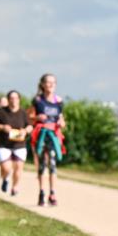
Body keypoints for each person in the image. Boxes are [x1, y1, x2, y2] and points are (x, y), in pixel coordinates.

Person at [29, 73, 67, 207]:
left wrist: (62, 123)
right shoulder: (37, 101)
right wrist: (37, 118)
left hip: (54, 135)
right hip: (41, 135)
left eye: (53, 82)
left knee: (53, 164)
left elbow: (61, 119)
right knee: (42, 165)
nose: (51, 85)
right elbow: (29, 117)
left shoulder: (59, 101)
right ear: (43, 84)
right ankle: (41, 192)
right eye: (48, 82)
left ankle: (52, 193)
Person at [0, 91, 33, 197]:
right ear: (8, 99)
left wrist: (25, 131)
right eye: (11, 98)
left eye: (16, 98)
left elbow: (30, 126)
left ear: (19, 99)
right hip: (3, 144)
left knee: (18, 167)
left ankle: (15, 187)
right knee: (6, 168)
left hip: (19, 144)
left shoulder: (23, 112)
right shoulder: (1, 111)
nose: (14, 100)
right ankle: (5, 178)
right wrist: (2, 127)